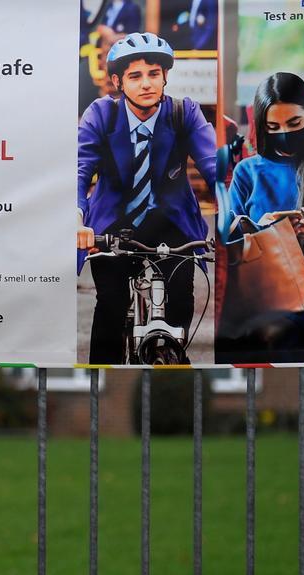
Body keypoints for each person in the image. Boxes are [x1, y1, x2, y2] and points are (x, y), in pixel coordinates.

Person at [76, 32, 217, 364]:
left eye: (154, 74)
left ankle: (170, 360)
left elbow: (214, 167)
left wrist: (235, 212)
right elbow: (80, 172)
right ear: (117, 81)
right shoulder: (102, 115)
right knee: (110, 303)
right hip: (112, 226)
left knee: (182, 299)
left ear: (165, 76)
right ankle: (103, 374)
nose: (146, 84)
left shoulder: (184, 113)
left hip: (172, 226)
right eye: (135, 76)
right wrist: (76, 218)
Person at [219, 72, 304, 363]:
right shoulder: (247, 172)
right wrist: (260, 231)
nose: (285, 133)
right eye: (273, 126)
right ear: (263, 127)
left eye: (294, 123)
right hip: (266, 303)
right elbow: (227, 244)